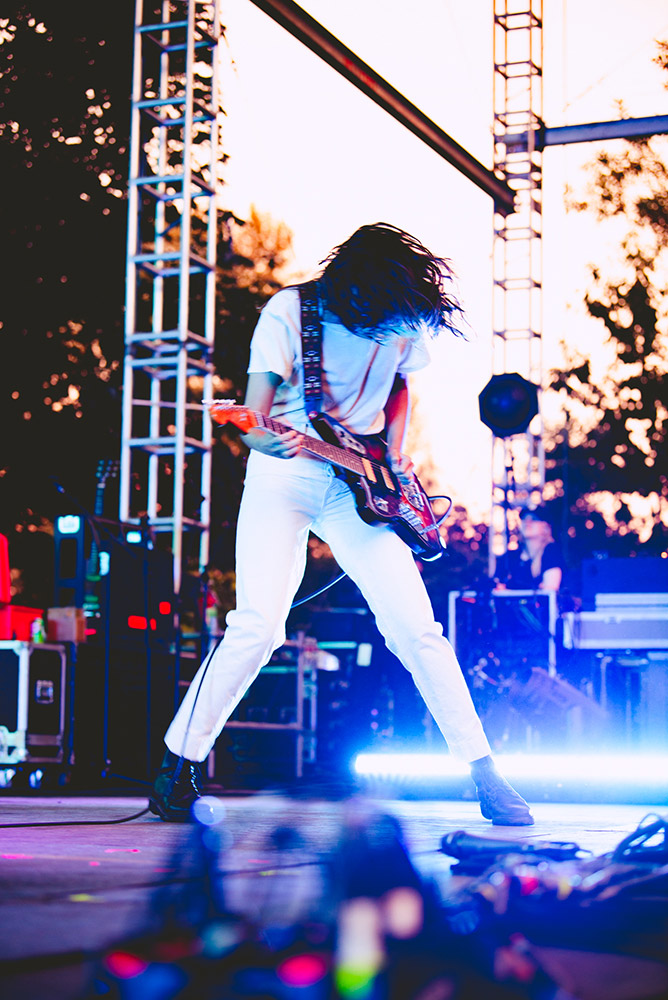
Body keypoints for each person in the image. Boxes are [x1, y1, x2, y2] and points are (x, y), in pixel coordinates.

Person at [149, 223, 534, 826]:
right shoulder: (290, 313)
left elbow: (400, 385)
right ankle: (179, 765)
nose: (389, 333)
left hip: (364, 480)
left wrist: (395, 454)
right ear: (356, 292)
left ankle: (485, 772)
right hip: (286, 474)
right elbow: (253, 415)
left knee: (417, 628)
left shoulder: (399, 316)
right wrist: (262, 438)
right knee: (257, 626)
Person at [497, 507, 564, 592]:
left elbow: (550, 591)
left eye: (534, 519)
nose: (527, 522)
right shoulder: (510, 557)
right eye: (524, 519)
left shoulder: (551, 552)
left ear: (545, 527)